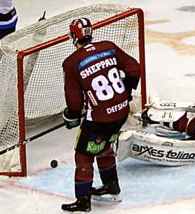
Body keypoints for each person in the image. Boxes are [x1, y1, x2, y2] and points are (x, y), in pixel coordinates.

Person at [60, 17, 142, 212]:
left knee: (83, 155)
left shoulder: (71, 63)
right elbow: (134, 68)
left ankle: (83, 201)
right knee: (103, 144)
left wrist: (71, 115)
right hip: (121, 111)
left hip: (99, 118)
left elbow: (74, 102)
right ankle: (111, 185)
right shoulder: (108, 46)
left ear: (73, 37)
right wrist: (126, 92)